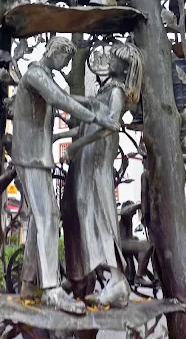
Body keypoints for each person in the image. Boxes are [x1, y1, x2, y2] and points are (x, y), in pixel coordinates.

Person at [11, 37, 118, 314]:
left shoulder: (43, 75)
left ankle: (30, 282)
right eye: (65, 61)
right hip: (31, 156)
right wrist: (97, 118)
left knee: (39, 218)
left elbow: (65, 96)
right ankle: (51, 290)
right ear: (54, 52)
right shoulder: (35, 73)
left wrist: (92, 103)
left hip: (36, 156)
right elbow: (59, 98)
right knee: (49, 217)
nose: (65, 66)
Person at [62, 42, 143, 307]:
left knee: (100, 213)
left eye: (116, 60)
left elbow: (108, 126)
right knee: (85, 212)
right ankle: (91, 274)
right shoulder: (107, 89)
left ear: (124, 67)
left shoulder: (118, 92)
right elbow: (88, 114)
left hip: (97, 159)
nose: (111, 61)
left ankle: (118, 280)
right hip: (89, 157)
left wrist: (76, 145)